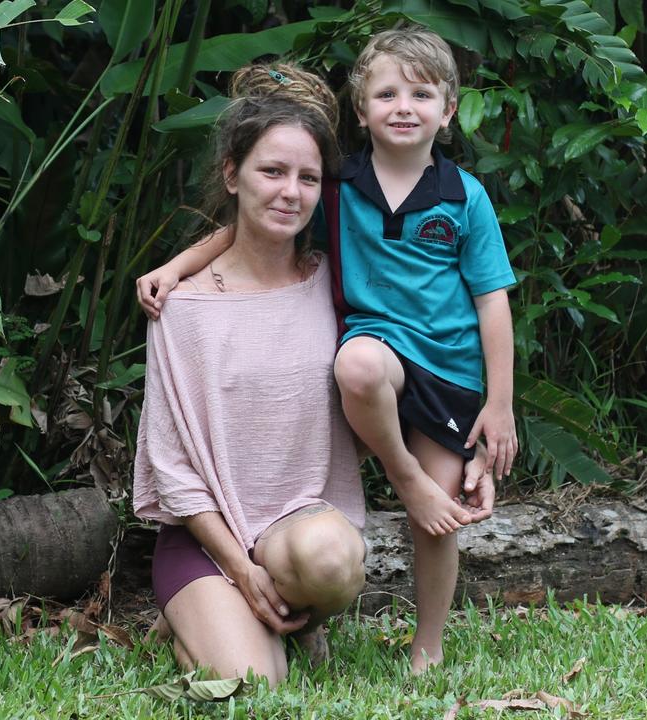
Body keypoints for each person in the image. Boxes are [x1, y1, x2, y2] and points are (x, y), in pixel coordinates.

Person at [137, 26, 516, 675]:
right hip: (228, 523)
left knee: (424, 511)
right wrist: (177, 266)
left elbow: (491, 300)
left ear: (449, 110)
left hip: (428, 394)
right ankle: (214, 619)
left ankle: (424, 643)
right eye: (387, 92)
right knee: (256, 683)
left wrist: (497, 416)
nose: (291, 190)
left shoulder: (437, 213)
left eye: (422, 93)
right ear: (361, 108)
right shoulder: (333, 197)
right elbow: (248, 225)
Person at [133, 64, 368, 686]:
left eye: (308, 177)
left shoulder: (334, 284)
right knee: (254, 685)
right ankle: (195, 621)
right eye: (272, 171)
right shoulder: (179, 308)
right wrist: (243, 573)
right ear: (232, 175)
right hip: (208, 546)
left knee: (335, 561)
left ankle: (280, 614)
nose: (290, 192)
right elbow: (173, 473)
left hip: (302, 528)